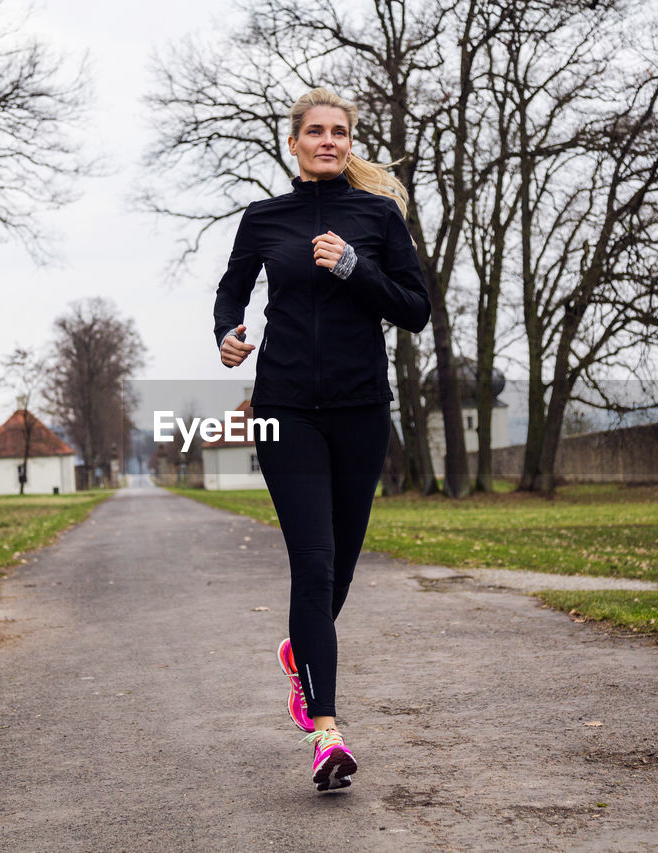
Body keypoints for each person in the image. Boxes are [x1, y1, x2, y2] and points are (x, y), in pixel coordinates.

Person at [213, 87, 430, 792]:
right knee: (313, 563)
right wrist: (227, 332)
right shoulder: (264, 218)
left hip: (362, 408)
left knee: (338, 568)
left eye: (339, 131)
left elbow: (415, 309)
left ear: (349, 141)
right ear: (294, 142)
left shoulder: (377, 215)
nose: (328, 140)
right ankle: (327, 731)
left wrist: (353, 268)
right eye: (315, 131)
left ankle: (300, 651)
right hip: (284, 410)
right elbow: (232, 289)